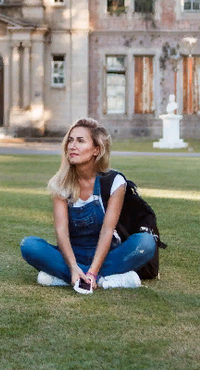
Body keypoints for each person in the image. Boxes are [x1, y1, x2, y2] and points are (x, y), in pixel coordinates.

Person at [19, 118, 156, 292]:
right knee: (29, 245)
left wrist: (93, 271)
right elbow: (61, 232)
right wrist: (74, 267)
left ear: (96, 150)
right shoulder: (61, 184)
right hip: (72, 256)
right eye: (70, 140)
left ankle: (72, 278)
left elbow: (108, 230)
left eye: (80, 141)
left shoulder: (114, 182)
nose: (72, 146)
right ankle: (106, 279)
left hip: (108, 254)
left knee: (146, 242)